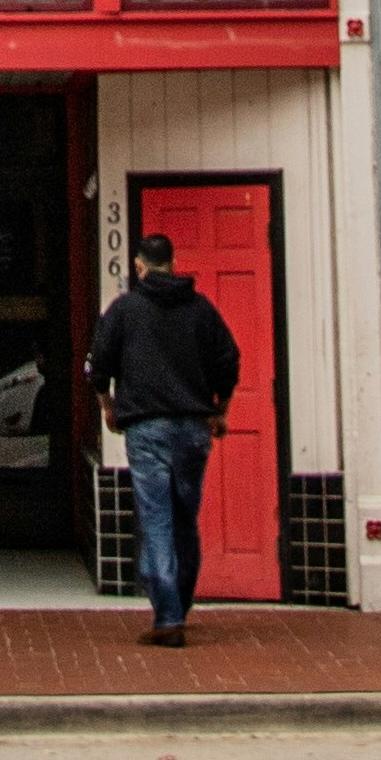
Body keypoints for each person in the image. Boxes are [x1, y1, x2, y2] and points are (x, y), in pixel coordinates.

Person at [87, 228, 242, 644]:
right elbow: (229, 357)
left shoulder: (124, 310)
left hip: (146, 427)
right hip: (193, 427)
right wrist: (221, 408)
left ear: (138, 266)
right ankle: (180, 603)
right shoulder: (201, 309)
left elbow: (98, 363)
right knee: (185, 518)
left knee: (156, 519)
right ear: (173, 264)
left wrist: (108, 406)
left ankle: (169, 616)